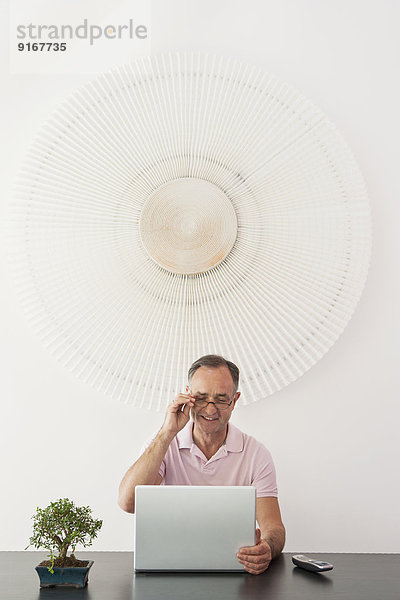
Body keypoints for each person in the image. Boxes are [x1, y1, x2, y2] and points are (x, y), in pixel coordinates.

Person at [118, 354, 285, 575]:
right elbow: (128, 503)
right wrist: (168, 431)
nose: (210, 409)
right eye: (201, 397)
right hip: (170, 566)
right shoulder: (164, 442)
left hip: (234, 568)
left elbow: (274, 528)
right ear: (188, 395)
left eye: (221, 399)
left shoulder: (256, 454)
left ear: (234, 401)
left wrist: (267, 548)